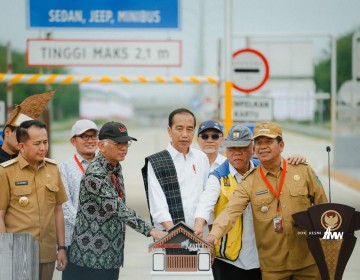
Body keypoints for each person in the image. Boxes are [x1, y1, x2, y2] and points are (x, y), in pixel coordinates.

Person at [206, 121, 328, 280]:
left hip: (308, 262)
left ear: (281, 145)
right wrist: (214, 234)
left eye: (268, 142)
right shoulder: (249, 181)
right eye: (259, 143)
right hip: (273, 269)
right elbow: (230, 211)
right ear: (254, 148)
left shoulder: (303, 170)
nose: (263, 146)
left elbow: (324, 208)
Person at [68, 121, 166, 280]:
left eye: (126, 143)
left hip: (111, 253)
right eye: (118, 144)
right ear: (101, 145)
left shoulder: (114, 167)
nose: (124, 148)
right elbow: (118, 208)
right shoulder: (96, 174)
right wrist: (151, 230)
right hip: (92, 257)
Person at [0, 120, 68, 280]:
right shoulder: (6, 172)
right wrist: (5, 252)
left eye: (45, 142)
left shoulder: (52, 169)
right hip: (17, 252)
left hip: (47, 252)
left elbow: (58, 210)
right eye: (37, 143)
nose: (43, 148)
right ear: (21, 146)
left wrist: (62, 247)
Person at [142, 108, 210, 232]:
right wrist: (174, 233)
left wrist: (200, 226)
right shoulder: (157, 162)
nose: (185, 134)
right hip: (169, 234)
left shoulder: (201, 158)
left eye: (189, 129)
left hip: (200, 233)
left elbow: (207, 196)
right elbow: (157, 204)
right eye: (179, 128)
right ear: (169, 130)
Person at [59, 119, 98, 280]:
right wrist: (88, 227)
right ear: (73, 141)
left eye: (93, 136)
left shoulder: (106, 165)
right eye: (84, 136)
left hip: (101, 242)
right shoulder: (65, 167)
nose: (90, 140)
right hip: (75, 241)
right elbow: (64, 204)